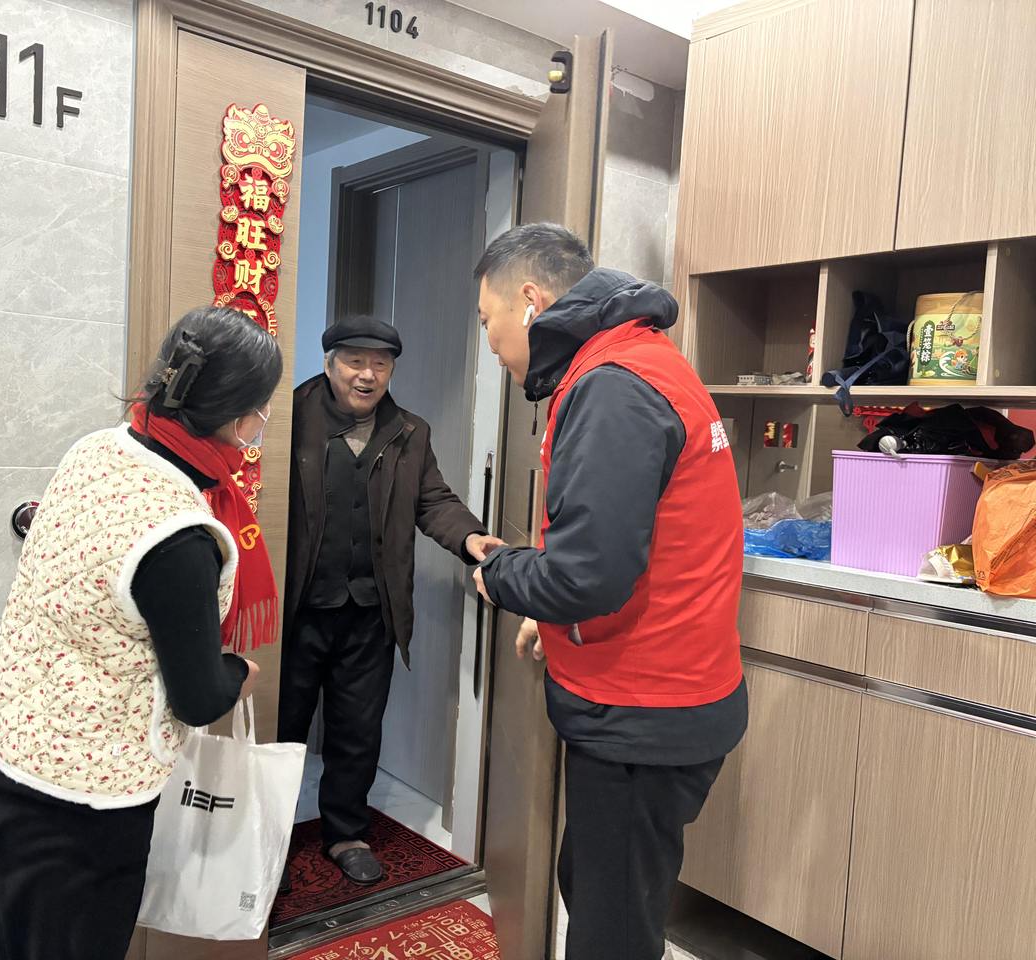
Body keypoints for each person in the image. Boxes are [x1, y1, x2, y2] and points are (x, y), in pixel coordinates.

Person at [0, 306, 282, 960]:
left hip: (2, 749)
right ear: (239, 419)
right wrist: (239, 675)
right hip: (77, 805)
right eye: (262, 410)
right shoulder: (178, 535)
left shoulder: (99, 449)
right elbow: (198, 696)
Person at [471, 224, 748, 960]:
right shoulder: (642, 360)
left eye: (489, 321)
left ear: (529, 302)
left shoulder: (612, 386)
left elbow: (586, 575)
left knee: (611, 930)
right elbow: (622, 544)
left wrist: (502, 577)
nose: (491, 345)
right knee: (600, 890)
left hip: (645, 708)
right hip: (666, 693)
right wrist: (550, 618)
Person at [279, 316, 505, 887]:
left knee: (357, 728)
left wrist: (471, 538)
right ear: (329, 362)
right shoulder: (288, 416)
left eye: (380, 364)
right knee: (282, 730)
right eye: (355, 361)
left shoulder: (408, 431)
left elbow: (434, 501)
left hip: (369, 613)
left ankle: (346, 832)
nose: (367, 375)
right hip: (296, 612)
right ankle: (265, 835)